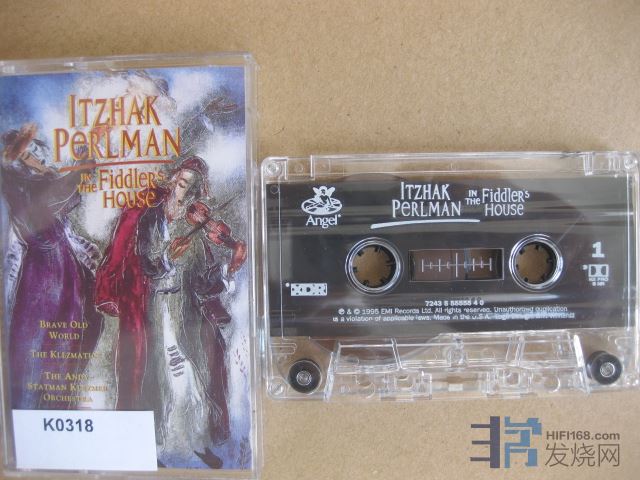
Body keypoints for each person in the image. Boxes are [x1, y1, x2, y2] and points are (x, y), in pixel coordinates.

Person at [95, 156, 246, 468]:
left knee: (194, 376)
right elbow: (146, 263)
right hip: (155, 308)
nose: (182, 190)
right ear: (173, 179)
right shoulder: (151, 217)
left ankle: (197, 441)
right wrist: (168, 257)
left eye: (189, 186)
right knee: (162, 379)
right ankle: (157, 446)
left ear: (196, 191)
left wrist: (228, 268)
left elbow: (202, 279)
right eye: (180, 182)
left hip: (184, 309)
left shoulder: (195, 224)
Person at [1, 123, 102, 409]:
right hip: (41, 280)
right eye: (27, 155)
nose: (37, 158)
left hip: (64, 277)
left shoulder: (38, 181)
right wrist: (81, 164)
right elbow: (45, 214)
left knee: (64, 353)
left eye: (36, 151)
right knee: (32, 355)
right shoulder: (17, 185)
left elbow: (64, 210)